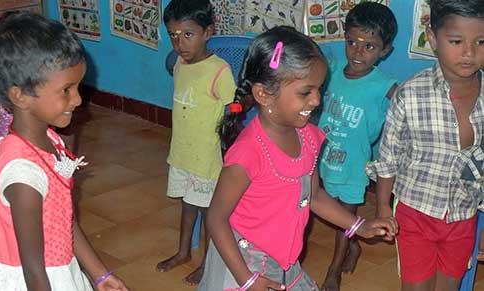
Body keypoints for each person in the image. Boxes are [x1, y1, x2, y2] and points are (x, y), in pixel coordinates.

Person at [198, 26, 397, 291]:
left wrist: (359, 226)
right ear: (264, 94)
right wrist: (246, 279)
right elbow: (216, 218)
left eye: (319, 89)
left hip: (284, 261)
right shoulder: (248, 152)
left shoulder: (309, 138)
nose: (316, 100)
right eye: (306, 92)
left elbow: (312, 195)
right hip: (244, 264)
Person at [0, 11, 128, 291]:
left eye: (78, 86)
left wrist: (99, 275)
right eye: (66, 90)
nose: (78, 99)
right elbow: (33, 272)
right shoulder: (23, 175)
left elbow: (63, 219)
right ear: (19, 95)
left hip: (59, 270)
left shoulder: (51, 140)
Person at [366, 0, 484, 290]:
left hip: (463, 216)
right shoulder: (410, 94)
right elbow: (388, 158)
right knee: (416, 287)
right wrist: (382, 208)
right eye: (456, 41)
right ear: (432, 38)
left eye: (481, 42)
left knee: (450, 285)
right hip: (416, 212)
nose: (469, 52)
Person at [317, 3, 398, 290]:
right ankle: (354, 247)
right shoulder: (331, 70)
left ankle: (334, 268)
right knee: (325, 206)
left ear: (385, 50)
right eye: (352, 42)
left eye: (369, 46)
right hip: (323, 160)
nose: (357, 52)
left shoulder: (385, 85)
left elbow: (408, 104)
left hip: (354, 165)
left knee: (346, 218)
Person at [156, 0, 236, 286]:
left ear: (208, 32)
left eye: (187, 34)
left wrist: (229, 135)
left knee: (208, 212)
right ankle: (182, 252)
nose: (179, 43)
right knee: (187, 205)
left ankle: (207, 262)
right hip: (181, 152)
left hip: (206, 157)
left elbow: (233, 107)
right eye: (173, 35)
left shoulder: (219, 70)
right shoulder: (179, 63)